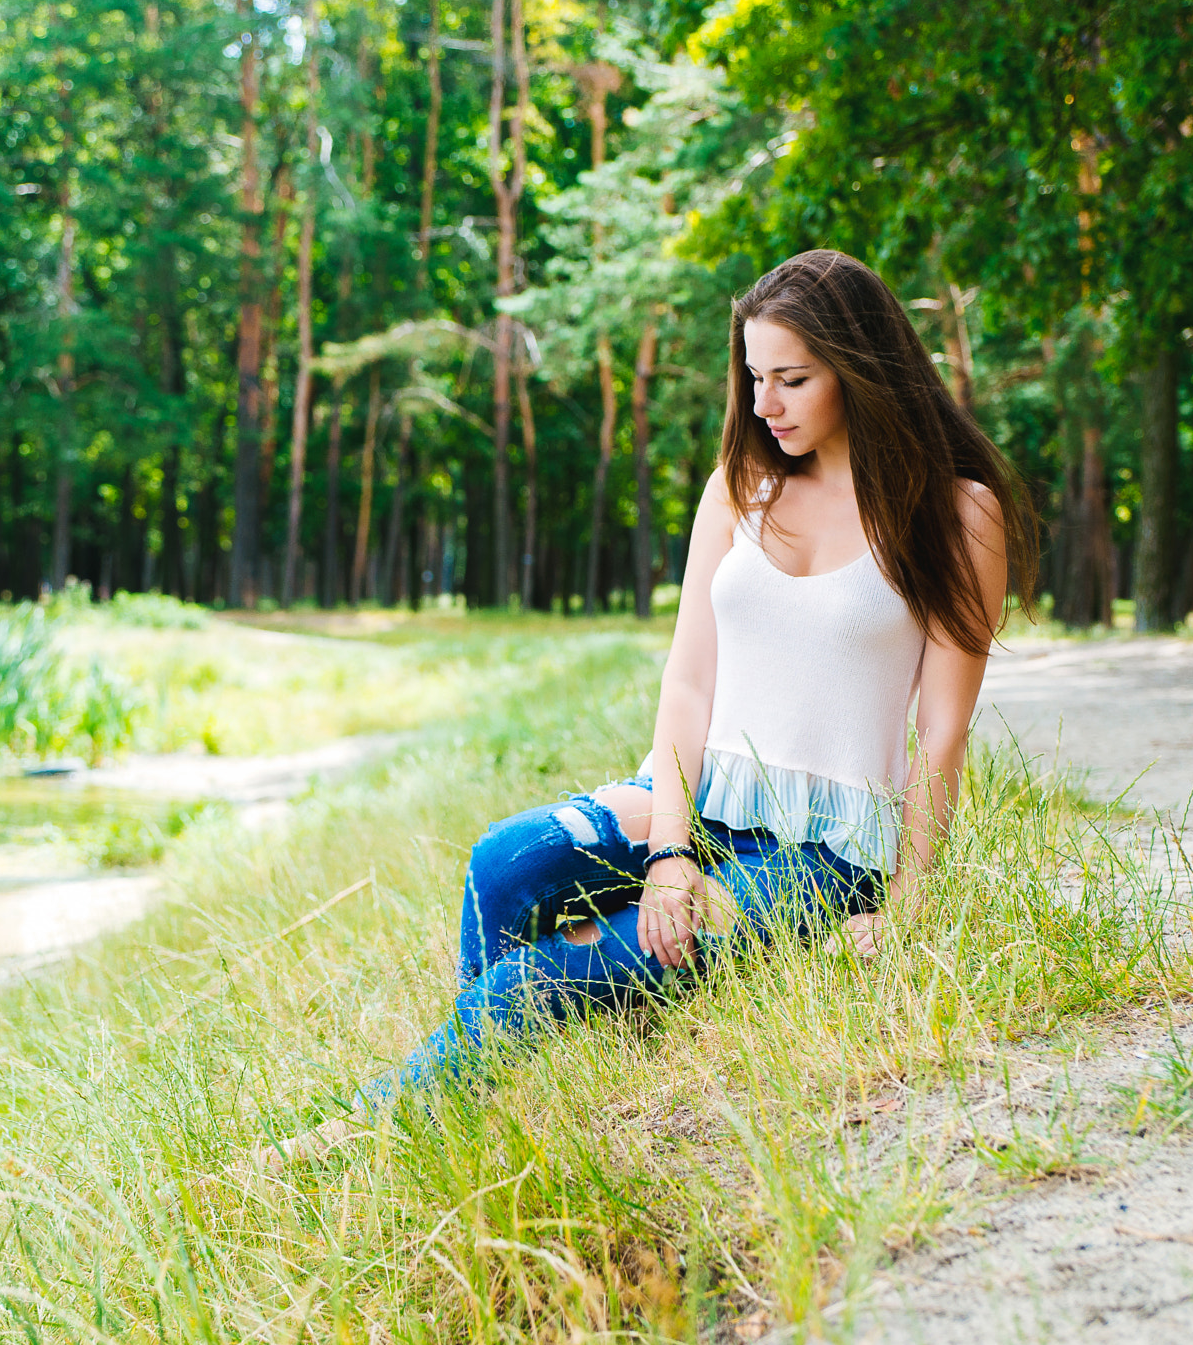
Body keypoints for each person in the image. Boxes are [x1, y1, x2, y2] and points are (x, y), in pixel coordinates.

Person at [264, 249, 1037, 1166]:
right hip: (700, 798)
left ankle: (362, 1136)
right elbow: (689, 681)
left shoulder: (956, 512)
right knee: (502, 864)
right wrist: (671, 852)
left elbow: (942, 731)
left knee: (537, 980)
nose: (765, 404)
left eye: (792, 379)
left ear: (862, 368)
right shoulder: (739, 487)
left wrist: (905, 906)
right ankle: (481, 1079)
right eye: (753, 376)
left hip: (824, 846)